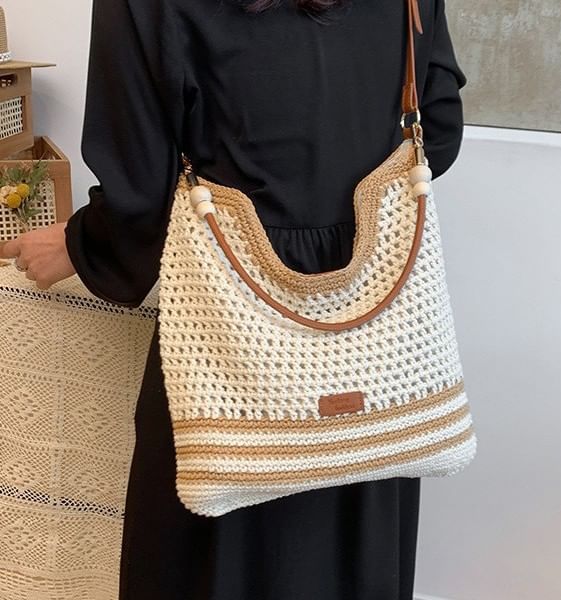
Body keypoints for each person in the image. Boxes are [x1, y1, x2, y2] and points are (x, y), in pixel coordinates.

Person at [1, 0, 467, 597]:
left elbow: (139, 186)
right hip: (374, 350)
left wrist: (79, 247)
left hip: (226, 330)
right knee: (356, 557)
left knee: (210, 557)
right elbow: (437, 130)